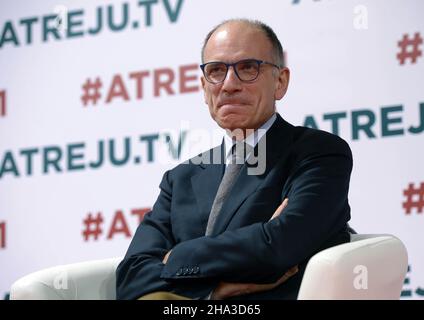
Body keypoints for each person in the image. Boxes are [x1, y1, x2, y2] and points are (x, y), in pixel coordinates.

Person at [116, 19, 353, 300]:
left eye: (247, 68)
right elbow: (131, 276)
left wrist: (176, 257)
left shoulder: (318, 153)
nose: (229, 85)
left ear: (280, 81)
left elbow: (278, 247)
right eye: (216, 71)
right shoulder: (180, 178)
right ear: (204, 88)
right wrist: (213, 290)